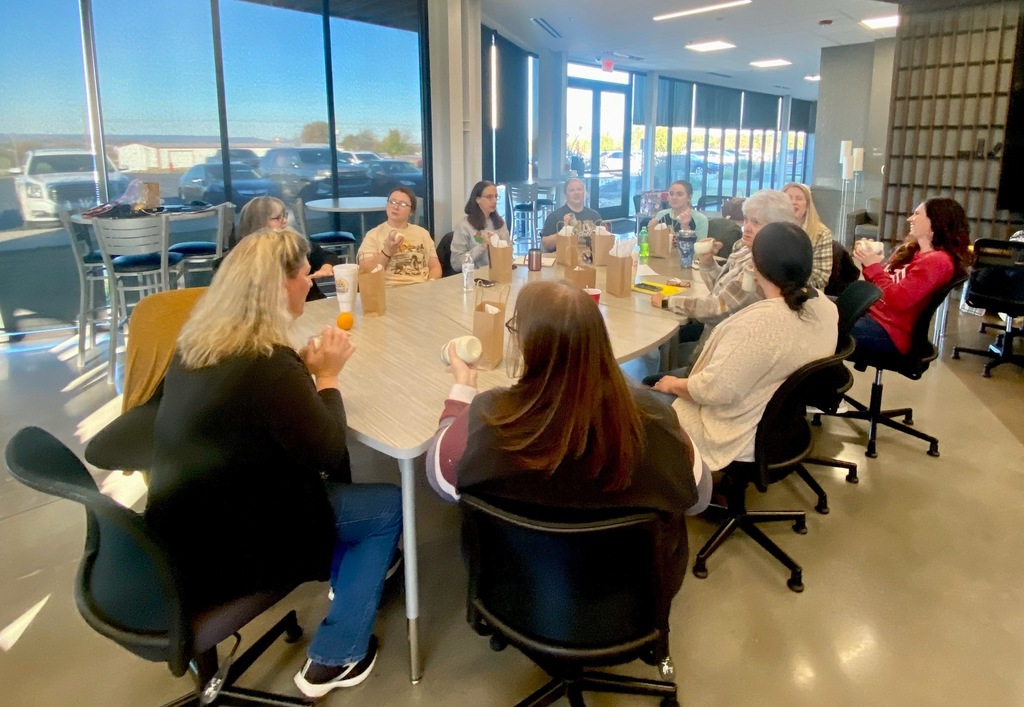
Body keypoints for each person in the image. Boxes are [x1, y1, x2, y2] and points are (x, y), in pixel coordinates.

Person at [145, 227, 402, 698]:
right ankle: (338, 655)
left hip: (178, 530)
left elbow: (248, 407)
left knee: (346, 500)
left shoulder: (196, 344)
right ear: (279, 286)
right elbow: (328, 452)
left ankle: (351, 581)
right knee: (388, 506)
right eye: (305, 274)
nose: (311, 281)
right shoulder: (268, 363)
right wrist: (326, 376)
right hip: (235, 545)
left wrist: (300, 372)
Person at [424, 281, 708, 606]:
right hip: (631, 597)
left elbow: (439, 482)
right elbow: (700, 497)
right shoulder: (657, 420)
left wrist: (461, 392)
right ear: (601, 341)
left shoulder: (487, 417)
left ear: (526, 344)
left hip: (521, 591)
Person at [652, 222, 839, 472]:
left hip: (736, 433)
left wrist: (671, 385)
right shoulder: (825, 307)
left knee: (640, 396)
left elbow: (713, 390)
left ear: (757, 266)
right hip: (781, 422)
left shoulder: (760, 324)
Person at [649, 189, 796, 349]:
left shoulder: (760, 265)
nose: (747, 227)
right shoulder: (747, 250)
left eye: (756, 223)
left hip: (728, 346)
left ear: (776, 229)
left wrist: (668, 301)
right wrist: (708, 262)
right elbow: (725, 291)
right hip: (717, 336)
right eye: (746, 220)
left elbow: (718, 308)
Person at [851, 197, 973, 355]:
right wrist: (871, 262)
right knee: (816, 306)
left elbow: (897, 300)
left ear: (935, 221)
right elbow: (882, 289)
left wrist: (874, 267)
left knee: (819, 325)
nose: (910, 218)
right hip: (874, 314)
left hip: (890, 331)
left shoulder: (938, 261)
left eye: (917, 214)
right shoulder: (912, 251)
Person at [234, 195, 336, 300]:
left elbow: (328, 256)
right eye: (278, 218)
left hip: (311, 303)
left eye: (284, 215)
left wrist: (326, 267)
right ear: (259, 223)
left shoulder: (294, 244)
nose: (285, 221)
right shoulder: (244, 258)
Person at [357, 186, 441, 286]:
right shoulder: (373, 235)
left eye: (402, 204)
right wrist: (386, 252)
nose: (395, 207)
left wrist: (430, 283)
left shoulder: (422, 233)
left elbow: (435, 267)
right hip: (391, 290)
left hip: (421, 289)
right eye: (392, 202)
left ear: (411, 211)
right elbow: (366, 271)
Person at [450, 180, 511, 273]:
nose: (494, 201)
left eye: (496, 197)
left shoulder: (500, 223)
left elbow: (509, 253)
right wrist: (481, 247)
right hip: (476, 278)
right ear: (477, 199)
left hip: (499, 273)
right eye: (489, 197)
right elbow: (456, 263)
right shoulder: (464, 226)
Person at [783, 182, 832, 290]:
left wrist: (784, 281)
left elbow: (821, 277)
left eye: (799, 198)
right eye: (788, 198)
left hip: (804, 294)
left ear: (807, 204)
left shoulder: (822, 233)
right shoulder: (772, 227)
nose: (793, 202)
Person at [539, 177, 602, 251]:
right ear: (565, 194)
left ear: (584, 192)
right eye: (572, 190)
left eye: (579, 189)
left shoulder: (594, 215)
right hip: (563, 259)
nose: (576, 193)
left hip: (590, 259)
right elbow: (546, 245)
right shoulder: (555, 216)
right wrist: (564, 231)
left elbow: (602, 243)